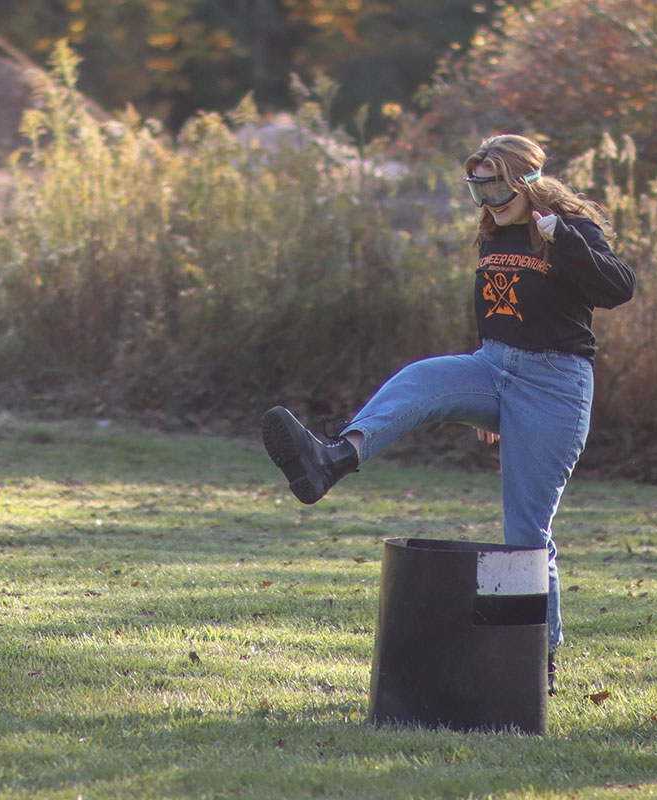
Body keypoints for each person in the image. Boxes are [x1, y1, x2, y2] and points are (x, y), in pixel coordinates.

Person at [261, 133, 636, 695]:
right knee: (422, 379)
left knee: (526, 534)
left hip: (556, 385)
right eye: (477, 188)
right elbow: (496, 309)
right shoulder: (493, 233)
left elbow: (618, 289)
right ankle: (333, 458)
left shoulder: (569, 228)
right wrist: (486, 400)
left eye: (495, 185)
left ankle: (539, 661)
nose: (487, 200)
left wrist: (562, 240)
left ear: (525, 179)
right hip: (493, 366)